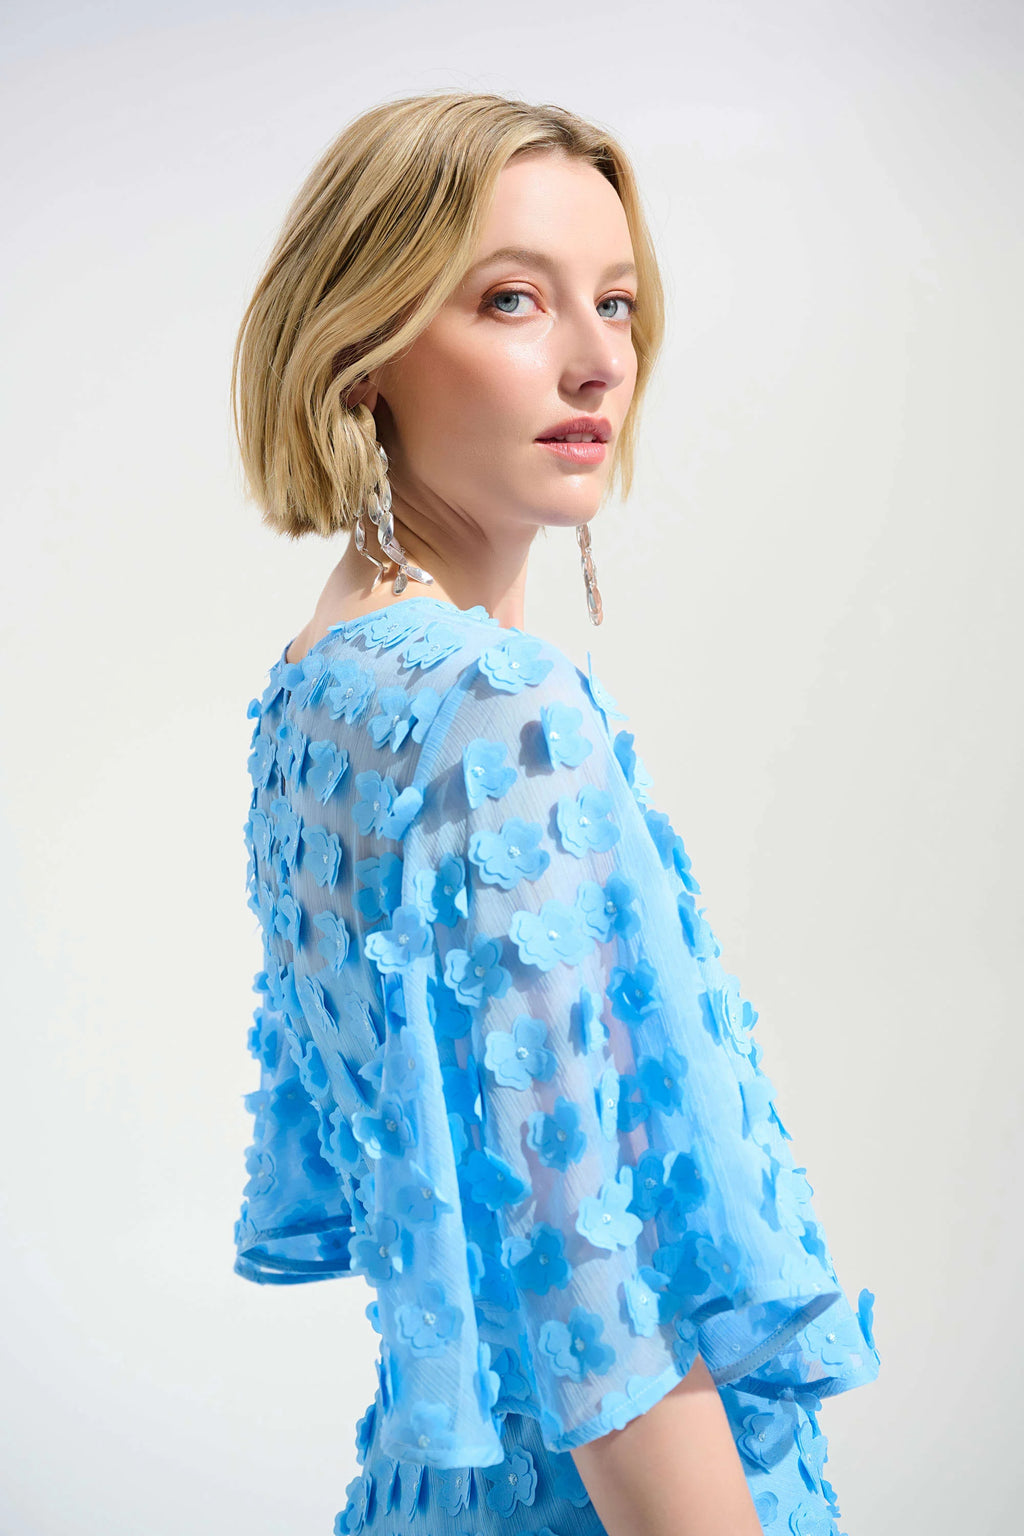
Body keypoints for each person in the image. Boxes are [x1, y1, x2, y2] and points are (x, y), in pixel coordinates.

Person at [230, 90, 880, 1536]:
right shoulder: (495, 709)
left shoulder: (315, 690)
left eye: (618, 302)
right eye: (514, 300)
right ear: (363, 352)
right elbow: (595, 1286)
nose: (599, 360)